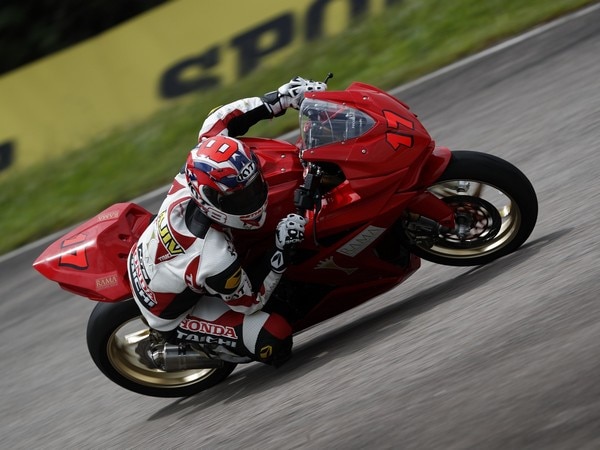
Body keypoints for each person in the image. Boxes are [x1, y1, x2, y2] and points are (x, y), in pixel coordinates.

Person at [127, 77, 327, 368]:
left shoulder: (198, 168)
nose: (254, 200)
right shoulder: (213, 256)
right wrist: (281, 249)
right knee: (275, 339)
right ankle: (178, 350)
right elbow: (250, 301)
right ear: (212, 200)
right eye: (240, 199)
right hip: (172, 309)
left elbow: (219, 118)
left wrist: (281, 98)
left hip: (161, 261)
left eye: (253, 187)